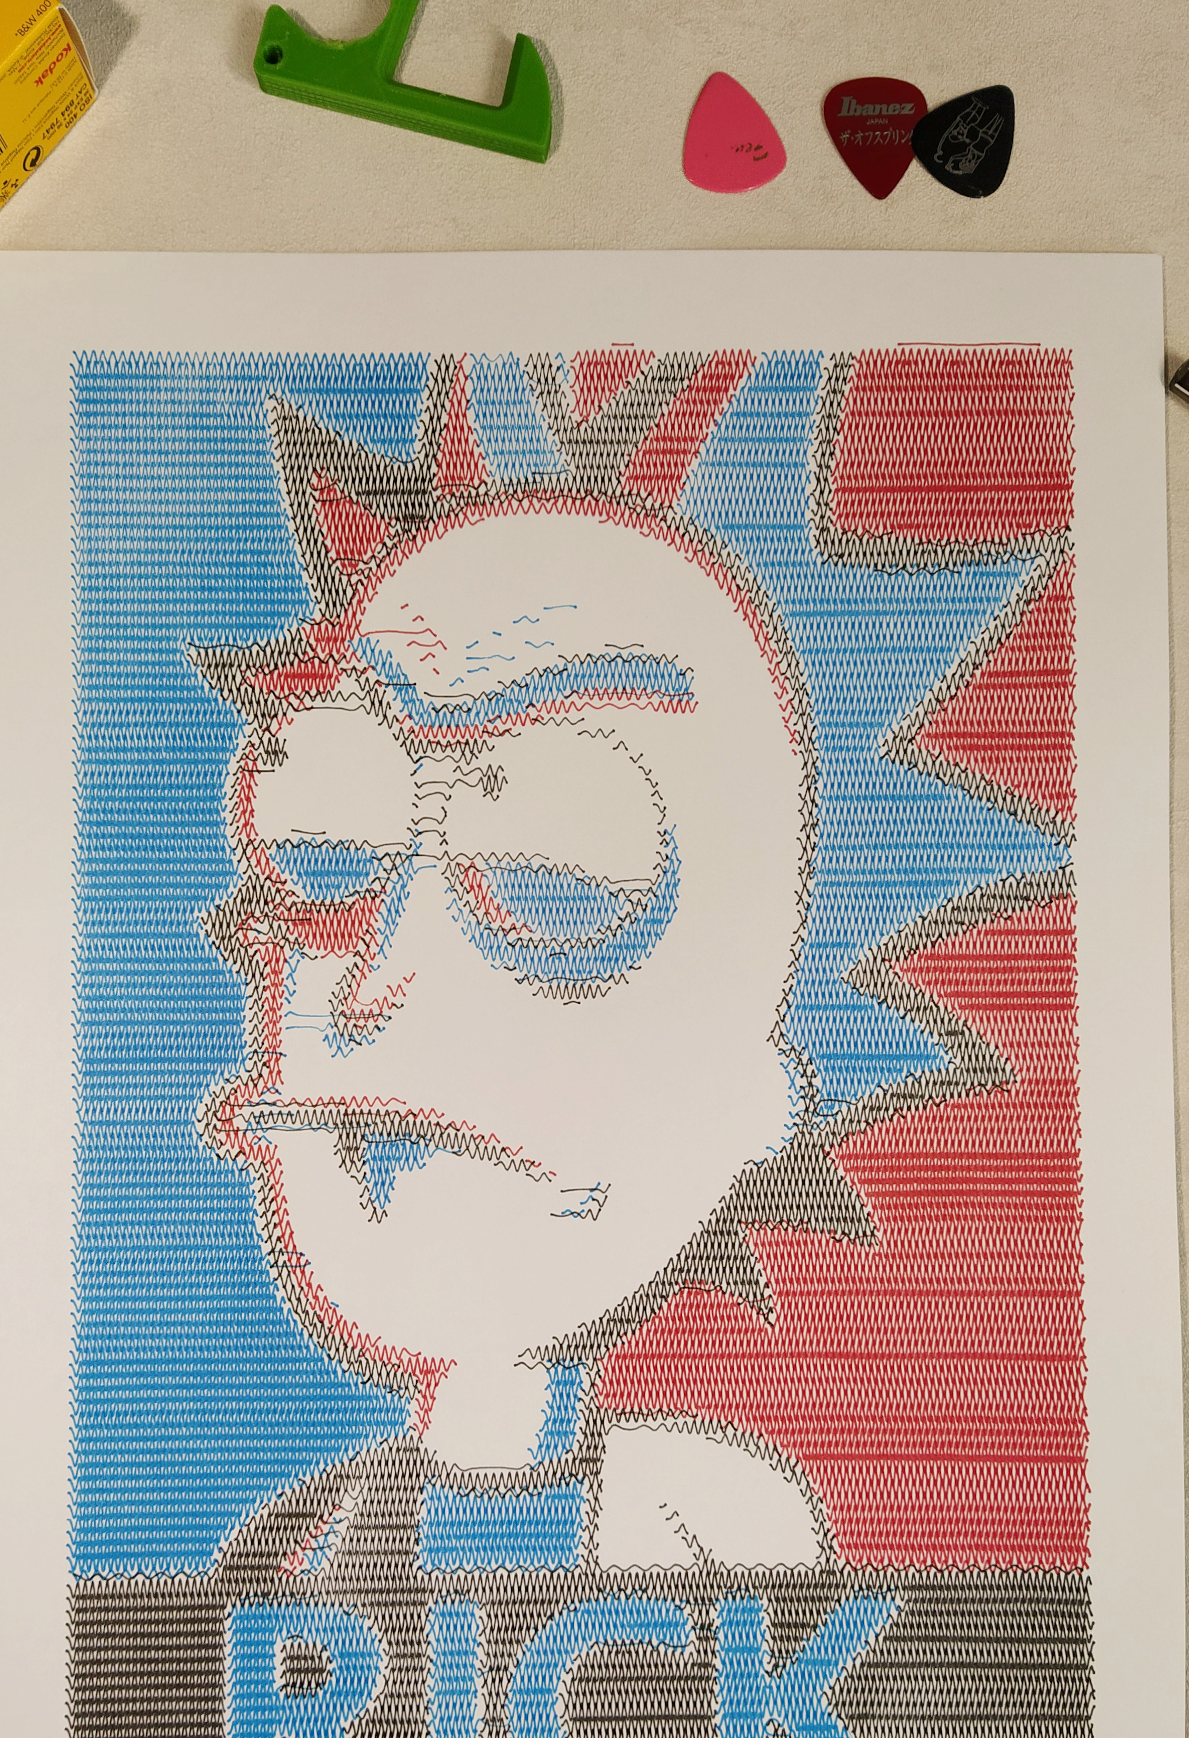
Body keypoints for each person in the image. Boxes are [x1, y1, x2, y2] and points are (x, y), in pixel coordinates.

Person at [192, 356, 835, 1571]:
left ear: (756, 1100)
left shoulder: (723, 1536)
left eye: (557, 877)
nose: (381, 979)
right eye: (332, 825)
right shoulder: (289, 1559)